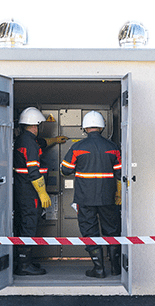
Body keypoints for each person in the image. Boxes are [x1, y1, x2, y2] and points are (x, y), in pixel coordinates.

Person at [60, 111, 122, 278]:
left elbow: (65, 170)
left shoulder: (78, 147)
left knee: (89, 230)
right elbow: (119, 174)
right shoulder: (112, 147)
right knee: (112, 230)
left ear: (85, 128)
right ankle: (116, 268)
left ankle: (99, 269)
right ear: (102, 127)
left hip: (85, 198)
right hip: (108, 198)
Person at [12, 107, 67, 276]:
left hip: (23, 189)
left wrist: (55, 140)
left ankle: (24, 260)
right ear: (35, 126)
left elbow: (42, 142)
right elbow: (33, 170)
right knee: (29, 224)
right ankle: (24, 264)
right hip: (30, 191)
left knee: (25, 223)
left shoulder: (25, 140)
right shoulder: (29, 143)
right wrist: (43, 193)